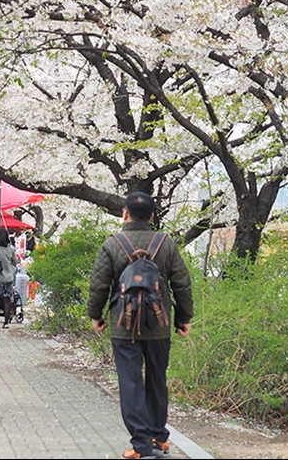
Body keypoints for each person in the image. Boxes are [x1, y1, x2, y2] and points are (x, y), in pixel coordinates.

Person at [87, 192, 193, 460]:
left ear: (125, 214)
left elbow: (99, 285)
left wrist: (96, 315)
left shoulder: (113, 244)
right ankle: (159, 437)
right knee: (158, 379)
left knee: (131, 382)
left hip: (125, 328)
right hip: (159, 326)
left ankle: (141, 444)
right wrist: (183, 318)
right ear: (152, 216)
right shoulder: (165, 243)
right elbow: (181, 283)